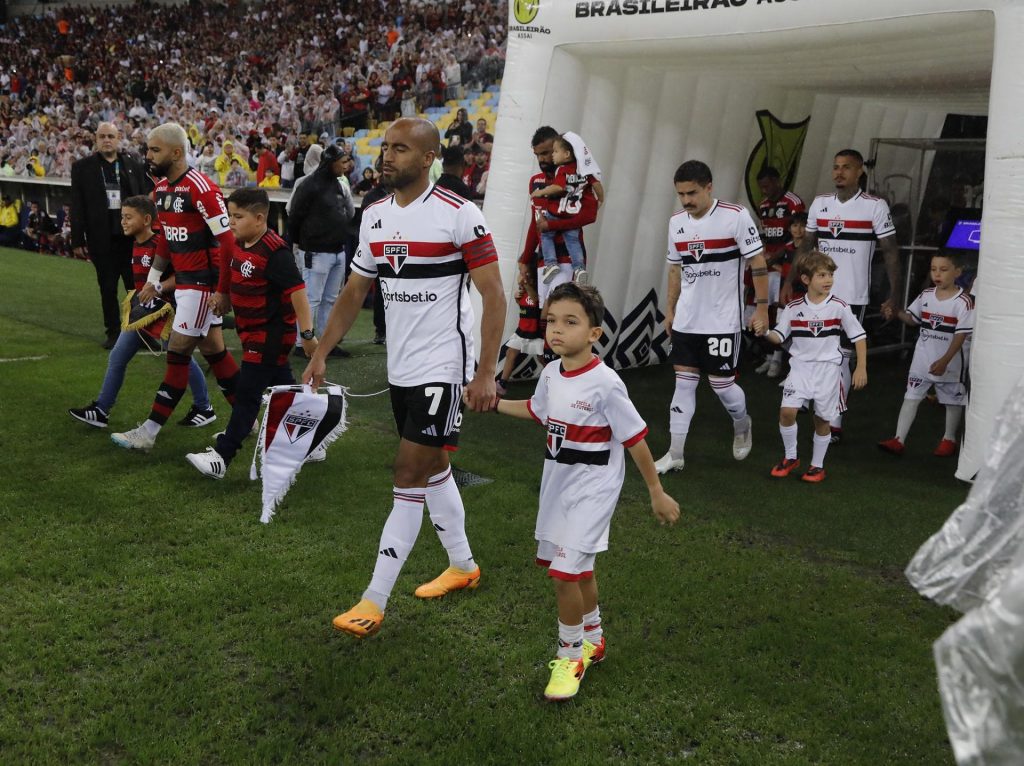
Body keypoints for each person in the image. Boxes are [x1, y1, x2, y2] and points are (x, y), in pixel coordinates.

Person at [302, 117, 506, 639]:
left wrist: (485, 372)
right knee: (434, 468)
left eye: (400, 149)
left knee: (407, 474)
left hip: (445, 369)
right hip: (403, 367)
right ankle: (463, 566)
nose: (387, 156)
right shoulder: (374, 215)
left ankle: (374, 599)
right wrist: (321, 352)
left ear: (428, 157)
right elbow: (353, 293)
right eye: (386, 147)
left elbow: (494, 295)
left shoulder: (461, 216)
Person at [493, 282, 679, 701]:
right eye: (552, 322)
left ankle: (571, 658)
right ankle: (595, 638)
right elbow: (537, 411)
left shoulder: (606, 384)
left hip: (593, 490)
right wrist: (492, 404)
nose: (556, 330)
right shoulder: (550, 373)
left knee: (563, 575)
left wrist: (656, 491)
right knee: (581, 572)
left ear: (595, 334)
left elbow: (635, 439)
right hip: (557, 485)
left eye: (570, 322)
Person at [110, 123, 241, 452]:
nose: (148, 156)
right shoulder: (163, 191)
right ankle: (249, 417)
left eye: (155, 150)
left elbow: (227, 243)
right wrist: (154, 279)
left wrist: (223, 290)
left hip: (201, 286)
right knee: (214, 350)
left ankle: (149, 432)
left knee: (178, 352)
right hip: (184, 283)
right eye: (148, 150)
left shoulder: (201, 188)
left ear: (177, 152)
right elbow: (167, 239)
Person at [186, 189, 318, 479]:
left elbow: (299, 295)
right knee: (286, 392)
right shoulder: (241, 243)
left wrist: (307, 336)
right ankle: (312, 442)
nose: (231, 222)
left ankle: (223, 455)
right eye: (230, 215)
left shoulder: (276, 252)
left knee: (247, 395)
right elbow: (242, 280)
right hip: (252, 334)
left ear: (260, 218)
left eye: (237, 216)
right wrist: (224, 297)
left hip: (269, 337)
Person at [655, 160, 769, 474]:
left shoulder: (735, 216)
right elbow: (675, 268)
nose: (686, 200)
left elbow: (758, 263)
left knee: (722, 386)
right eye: (681, 194)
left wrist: (761, 308)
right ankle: (675, 453)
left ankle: (741, 422)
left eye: (692, 193)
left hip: (722, 321)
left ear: (709, 187)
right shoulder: (676, 222)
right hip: (687, 321)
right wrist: (671, 309)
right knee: (683, 382)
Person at [68, 195, 214, 430]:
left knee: (180, 358)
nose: (123, 222)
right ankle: (101, 410)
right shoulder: (136, 242)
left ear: (146, 219)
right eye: (121, 217)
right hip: (145, 311)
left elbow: (183, 275)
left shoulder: (161, 243)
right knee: (117, 357)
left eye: (128, 217)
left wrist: (158, 287)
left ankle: (204, 407)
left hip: (168, 312)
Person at [789, 148, 899, 444]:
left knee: (840, 357)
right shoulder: (821, 204)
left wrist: (894, 294)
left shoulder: (874, 206)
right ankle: (808, 399)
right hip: (816, 294)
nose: (839, 172)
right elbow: (806, 246)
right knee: (810, 349)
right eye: (836, 166)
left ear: (860, 170)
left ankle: (833, 420)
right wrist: (792, 282)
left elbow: (890, 251)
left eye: (846, 167)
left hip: (851, 296)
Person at [765, 252, 867, 483]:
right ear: (806, 279)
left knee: (822, 420)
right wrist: (763, 331)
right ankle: (791, 457)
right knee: (787, 412)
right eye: (822, 275)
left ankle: (817, 466)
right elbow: (779, 337)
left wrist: (861, 367)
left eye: (830, 274)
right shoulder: (793, 307)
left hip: (828, 371)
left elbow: (859, 337)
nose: (828, 280)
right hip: (800, 368)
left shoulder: (840, 306)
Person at [878, 251, 974, 457]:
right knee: (911, 396)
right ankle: (898, 439)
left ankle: (949, 438)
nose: (937, 274)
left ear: (957, 272)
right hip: (922, 359)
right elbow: (913, 320)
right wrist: (896, 312)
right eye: (933, 269)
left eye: (943, 269)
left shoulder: (964, 302)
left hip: (950, 362)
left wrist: (945, 361)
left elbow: (961, 336)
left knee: (952, 400)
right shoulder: (926, 296)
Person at [70, 122, 151, 348]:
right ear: (96, 139)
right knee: (107, 288)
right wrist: (77, 240)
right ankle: (114, 332)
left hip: (131, 239)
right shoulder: (82, 168)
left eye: (111, 136)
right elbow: (77, 206)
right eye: (102, 136)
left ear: (118, 139)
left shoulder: (133, 164)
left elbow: (144, 200)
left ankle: (142, 332)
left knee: (136, 288)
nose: (107, 140)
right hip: (101, 239)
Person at [287, 143, 355, 358]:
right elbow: (294, 216)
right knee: (312, 298)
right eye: (342, 162)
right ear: (330, 163)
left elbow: (349, 211)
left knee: (330, 299)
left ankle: (327, 343)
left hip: (337, 250)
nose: (345, 166)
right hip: (316, 252)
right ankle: (301, 343)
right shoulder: (309, 185)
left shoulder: (339, 184)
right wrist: (300, 244)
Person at [517, 126, 599, 305]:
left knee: (557, 309)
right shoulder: (535, 182)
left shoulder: (577, 180)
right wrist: (525, 259)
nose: (542, 159)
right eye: (537, 155)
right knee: (545, 314)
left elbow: (588, 217)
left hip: (569, 255)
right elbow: (535, 223)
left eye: (546, 153)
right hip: (545, 258)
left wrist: (552, 226)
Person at [530, 133, 604, 285]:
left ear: (567, 154)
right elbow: (597, 185)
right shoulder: (584, 170)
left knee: (546, 234)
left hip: (559, 211)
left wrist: (542, 192)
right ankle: (579, 268)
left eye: (555, 152)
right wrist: (601, 199)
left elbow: (558, 187)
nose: (553, 156)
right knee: (573, 241)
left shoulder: (562, 170)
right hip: (574, 214)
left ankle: (551, 264)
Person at [754, 167, 805, 378]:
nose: (765, 191)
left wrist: (777, 257)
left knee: (783, 312)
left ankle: (779, 359)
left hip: (786, 266)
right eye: (761, 188)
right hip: (770, 267)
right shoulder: (764, 206)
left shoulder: (793, 202)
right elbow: (766, 235)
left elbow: (800, 237)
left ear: (777, 181)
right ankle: (769, 356)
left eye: (767, 186)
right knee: (768, 311)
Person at [496, 267, 542, 396]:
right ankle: (502, 384)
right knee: (511, 352)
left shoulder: (538, 292)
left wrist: (526, 284)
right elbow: (523, 307)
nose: (520, 276)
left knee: (543, 358)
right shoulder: (522, 293)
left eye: (523, 273)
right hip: (521, 331)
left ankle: (556, 381)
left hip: (536, 333)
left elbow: (536, 301)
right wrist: (518, 296)